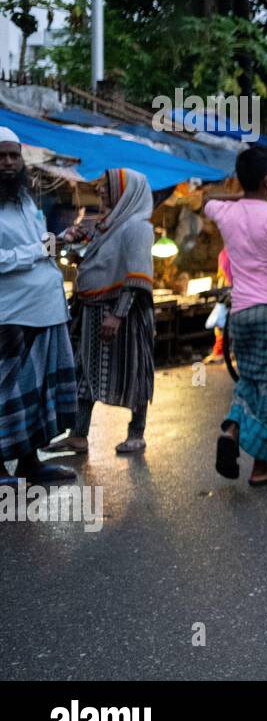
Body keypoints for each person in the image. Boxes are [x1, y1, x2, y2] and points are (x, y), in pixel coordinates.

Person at [203, 145, 267, 486]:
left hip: (240, 312)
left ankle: (231, 429)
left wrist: (238, 189)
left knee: (249, 381)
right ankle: (262, 467)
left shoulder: (225, 212)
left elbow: (206, 199)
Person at [49, 168, 157, 456]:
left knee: (133, 371)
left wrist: (118, 315)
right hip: (92, 310)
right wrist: (70, 246)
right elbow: (90, 256)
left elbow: (137, 277)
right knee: (84, 372)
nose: (102, 192)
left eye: (108, 188)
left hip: (122, 314)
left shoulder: (137, 228)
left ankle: (137, 433)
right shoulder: (104, 226)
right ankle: (79, 434)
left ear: (125, 193)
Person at [0, 127, 78, 483]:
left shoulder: (26, 200)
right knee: (7, 391)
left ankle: (31, 463)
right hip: (11, 312)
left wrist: (59, 240)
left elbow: (37, 245)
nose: (8, 162)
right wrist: (38, 250)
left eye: (13, 156)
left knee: (36, 389)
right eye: (1, 156)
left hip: (45, 309)